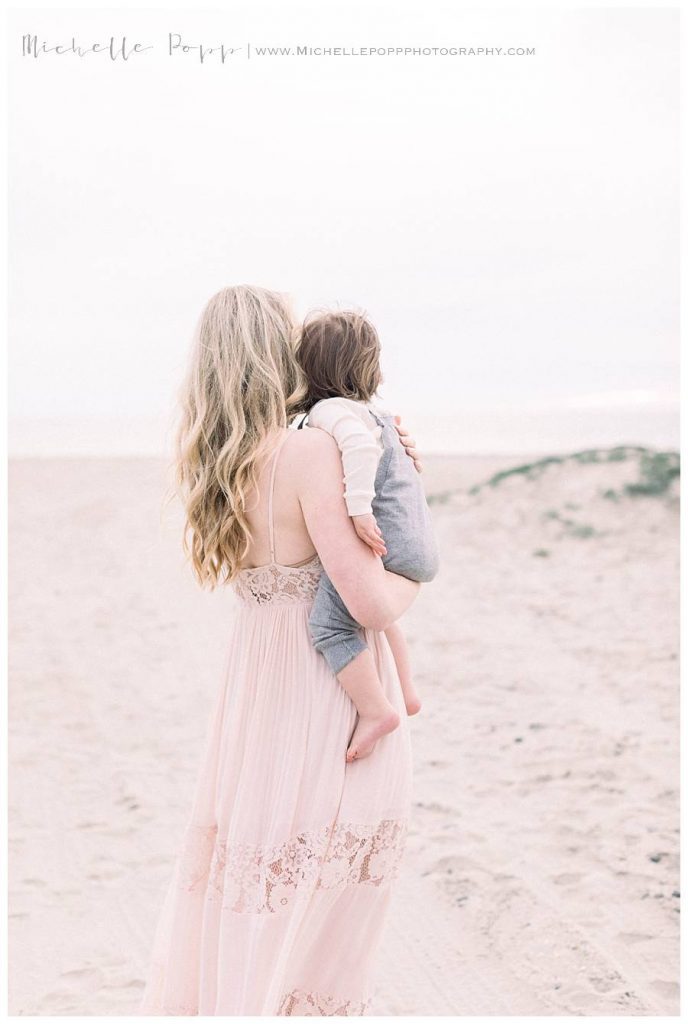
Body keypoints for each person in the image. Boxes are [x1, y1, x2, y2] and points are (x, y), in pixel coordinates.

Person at [139, 285, 420, 1016]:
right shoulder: (307, 449)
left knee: (252, 875)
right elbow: (368, 599)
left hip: (257, 679)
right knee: (330, 897)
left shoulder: (214, 458)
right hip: (320, 682)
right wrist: (414, 566)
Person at [295, 310, 439, 762]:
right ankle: (407, 691)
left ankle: (376, 709)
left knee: (330, 624)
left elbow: (359, 450)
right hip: (417, 545)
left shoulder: (329, 411)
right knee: (376, 606)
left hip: (388, 543)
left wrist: (358, 511)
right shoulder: (374, 411)